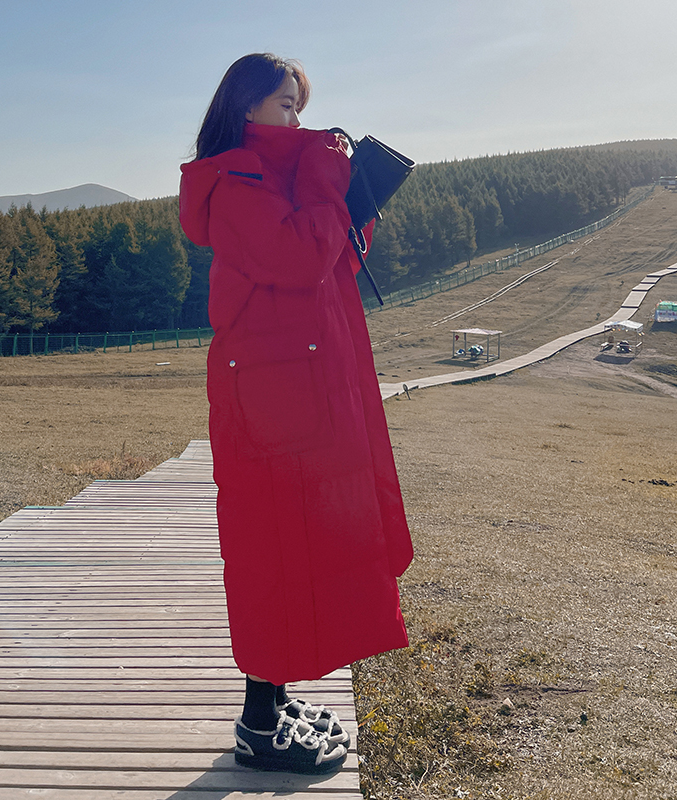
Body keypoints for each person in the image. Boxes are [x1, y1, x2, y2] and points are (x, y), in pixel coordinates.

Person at [179, 53, 414, 775]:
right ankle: (257, 725)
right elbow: (294, 256)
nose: (298, 119)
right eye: (285, 105)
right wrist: (323, 177)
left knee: (305, 538)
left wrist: (355, 200)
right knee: (271, 548)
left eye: (300, 105)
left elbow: (332, 254)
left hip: (306, 389)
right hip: (275, 405)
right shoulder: (233, 181)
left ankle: (274, 704)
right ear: (246, 106)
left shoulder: (277, 175)